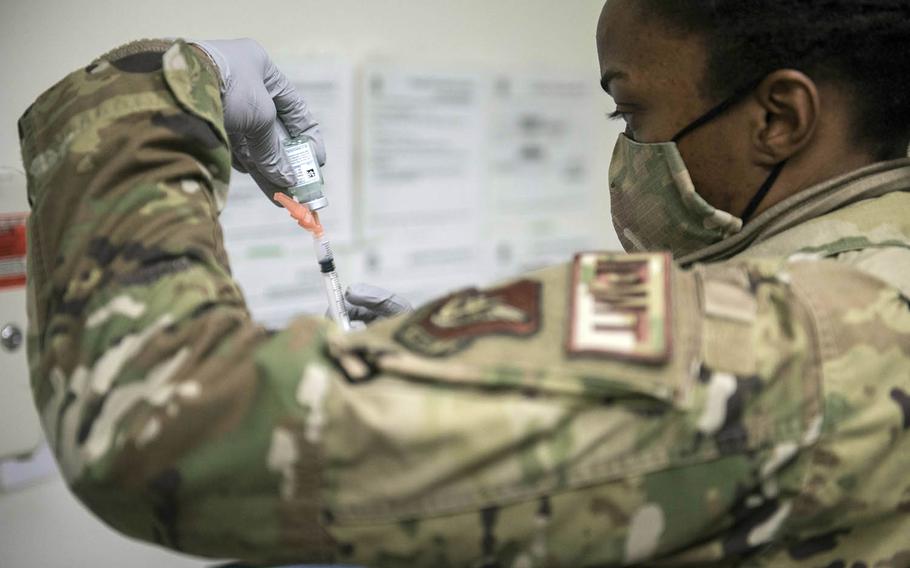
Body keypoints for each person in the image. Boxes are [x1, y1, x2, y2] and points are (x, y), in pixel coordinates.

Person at [17, 0, 910, 565]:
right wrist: (450, 368)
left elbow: (160, 428)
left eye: (630, 110)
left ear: (779, 118)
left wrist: (156, 97)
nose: (625, 150)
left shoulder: (774, 340)